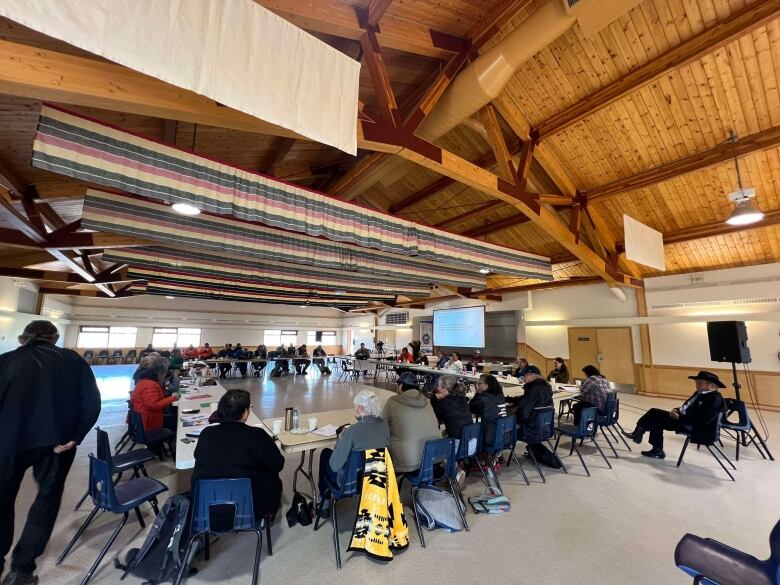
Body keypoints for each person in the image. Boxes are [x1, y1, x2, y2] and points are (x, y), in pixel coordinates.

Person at [0, 321, 101, 585]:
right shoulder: (73, 361)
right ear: (54, 338)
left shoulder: (6, 361)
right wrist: (75, 437)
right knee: (47, 498)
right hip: (56, 443)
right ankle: (22, 568)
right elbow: (91, 401)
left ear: (24, 339)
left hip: (8, 441)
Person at [192, 389, 284, 519]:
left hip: (207, 506)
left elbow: (198, 456)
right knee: (273, 477)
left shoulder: (207, 433)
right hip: (250, 506)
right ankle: (268, 514)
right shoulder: (256, 434)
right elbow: (278, 464)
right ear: (245, 412)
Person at [623, 371, 727, 459]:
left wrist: (680, 417)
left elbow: (703, 420)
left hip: (693, 426)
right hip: (684, 419)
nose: (696, 385)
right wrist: (676, 410)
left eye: (700, 383)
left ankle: (641, 436)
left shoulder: (715, 399)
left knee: (654, 415)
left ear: (711, 385)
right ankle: (650, 443)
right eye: (697, 383)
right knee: (654, 415)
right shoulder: (700, 393)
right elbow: (688, 407)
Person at [317, 390, 389, 517]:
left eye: (356, 408)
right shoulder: (385, 426)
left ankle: (324, 503)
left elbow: (334, 465)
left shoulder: (353, 431)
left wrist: (341, 439)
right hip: (376, 478)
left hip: (350, 483)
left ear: (361, 408)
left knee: (325, 455)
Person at [383, 372, 441, 473]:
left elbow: (381, 428)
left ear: (400, 386)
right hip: (434, 458)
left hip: (408, 464)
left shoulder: (392, 402)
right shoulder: (427, 400)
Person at [131, 355, 177, 433]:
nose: (164, 377)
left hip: (147, 418)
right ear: (159, 373)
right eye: (164, 374)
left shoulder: (145, 381)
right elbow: (153, 406)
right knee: (175, 421)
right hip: (148, 423)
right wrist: (173, 398)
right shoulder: (150, 385)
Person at [506, 366, 553, 436]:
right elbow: (526, 400)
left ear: (532, 375)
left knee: (506, 416)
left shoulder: (533, 389)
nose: (523, 379)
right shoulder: (544, 387)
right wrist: (509, 399)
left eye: (524, 376)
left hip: (531, 427)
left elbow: (524, 412)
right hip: (543, 425)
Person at [470, 374, 507, 447]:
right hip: (505, 435)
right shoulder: (500, 395)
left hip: (490, 438)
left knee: (467, 432)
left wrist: (477, 394)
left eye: (480, 383)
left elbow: (470, 408)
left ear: (487, 386)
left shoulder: (483, 399)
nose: (477, 385)